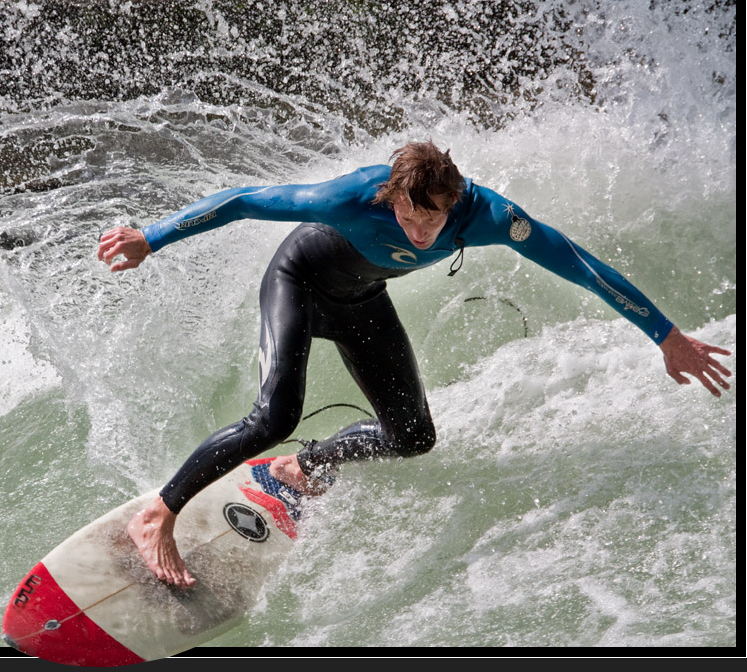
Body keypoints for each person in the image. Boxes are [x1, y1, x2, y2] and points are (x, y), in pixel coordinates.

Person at [97, 141, 731, 589]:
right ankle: (158, 514)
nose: (420, 233)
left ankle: (302, 466)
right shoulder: (351, 199)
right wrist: (151, 238)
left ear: (454, 202)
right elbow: (243, 201)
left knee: (413, 437)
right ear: (391, 196)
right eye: (408, 217)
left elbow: (580, 263)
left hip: (361, 298)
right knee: (274, 414)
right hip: (301, 280)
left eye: (433, 221)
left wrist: (665, 334)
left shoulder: (489, 218)